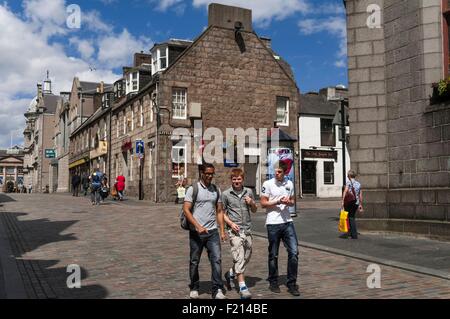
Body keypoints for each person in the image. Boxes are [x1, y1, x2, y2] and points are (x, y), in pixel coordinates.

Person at [182, 163, 227, 300]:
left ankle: (217, 289)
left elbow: (219, 211)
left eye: (212, 173)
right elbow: (186, 209)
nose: (209, 176)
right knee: (195, 261)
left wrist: (222, 230)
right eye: (207, 173)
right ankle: (194, 287)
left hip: (212, 231)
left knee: (217, 260)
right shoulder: (193, 189)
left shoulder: (216, 190)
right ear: (201, 172)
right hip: (197, 233)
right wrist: (197, 226)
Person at [260, 160, 300, 297]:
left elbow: (293, 200)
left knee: (294, 252)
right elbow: (263, 203)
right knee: (273, 254)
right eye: (275, 171)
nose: (276, 174)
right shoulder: (267, 184)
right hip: (273, 223)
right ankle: (273, 281)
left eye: (279, 172)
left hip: (287, 221)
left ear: (285, 172)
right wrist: (277, 201)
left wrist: (289, 202)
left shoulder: (289, 184)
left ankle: (292, 283)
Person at [222, 168, 257, 299]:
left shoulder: (249, 192)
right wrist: (230, 224)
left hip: (247, 230)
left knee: (247, 255)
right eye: (234, 179)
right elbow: (222, 213)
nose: (236, 181)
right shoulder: (226, 194)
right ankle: (243, 287)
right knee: (239, 257)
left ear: (243, 179)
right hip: (234, 231)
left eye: (239, 179)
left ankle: (230, 273)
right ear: (231, 180)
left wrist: (252, 202)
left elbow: (254, 210)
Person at [341, 170, 363, 239]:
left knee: (350, 218)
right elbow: (360, 195)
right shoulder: (358, 184)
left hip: (349, 202)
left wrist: (342, 201)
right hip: (356, 203)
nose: (347, 177)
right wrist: (360, 204)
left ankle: (353, 235)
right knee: (352, 217)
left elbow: (345, 191)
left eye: (348, 175)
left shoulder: (348, 183)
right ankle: (352, 233)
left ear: (350, 176)